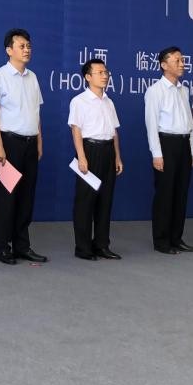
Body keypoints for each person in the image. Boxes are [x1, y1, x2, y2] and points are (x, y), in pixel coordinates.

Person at [0, 28, 47, 265]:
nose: (27, 50)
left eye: (28, 46)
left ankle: (22, 245)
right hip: (9, 143)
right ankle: (3, 247)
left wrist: (39, 141)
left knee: (26, 197)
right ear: (9, 50)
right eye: (21, 46)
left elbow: (36, 112)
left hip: (31, 144)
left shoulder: (33, 78)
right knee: (7, 197)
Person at [68, 58, 122, 261]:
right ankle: (83, 247)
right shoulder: (79, 101)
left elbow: (114, 132)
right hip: (89, 151)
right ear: (88, 77)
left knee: (105, 201)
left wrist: (117, 157)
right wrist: (82, 157)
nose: (105, 75)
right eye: (100, 72)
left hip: (108, 151)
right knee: (85, 201)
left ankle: (101, 245)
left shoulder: (109, 101)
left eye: (106, 72)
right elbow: (76, 130)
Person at [144, 46, 193, 255]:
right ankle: (162, 240)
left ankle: (176, 238)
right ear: (164, 65)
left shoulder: (183, 90)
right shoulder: (155, 91)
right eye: (177, 61)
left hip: (183, 145)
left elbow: (189, 123)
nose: (182, 64)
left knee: (181, 193)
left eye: (182, 60)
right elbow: (151, 125)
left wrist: (191, 150)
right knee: (165, 194)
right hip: (166, 144)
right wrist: (157, 154)